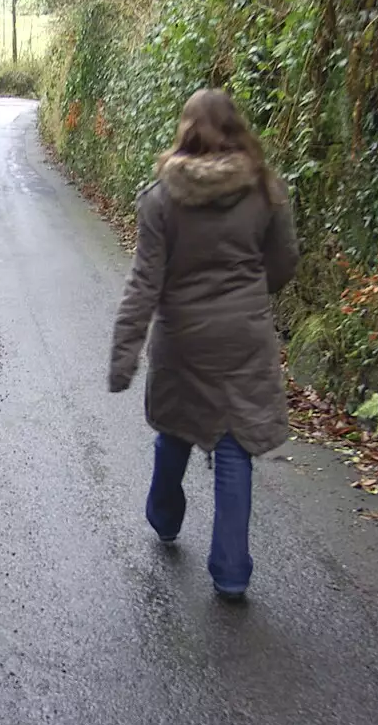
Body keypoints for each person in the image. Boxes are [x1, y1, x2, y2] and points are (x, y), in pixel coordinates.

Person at [108, 88, 300, 602]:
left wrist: (124, 354)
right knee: (235, 448)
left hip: (182, 342)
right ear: (236, 128)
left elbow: (144, 284)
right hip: (245, 340)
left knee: (175, 430)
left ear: (185, 130)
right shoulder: (265, 191)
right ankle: (231, 572)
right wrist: (249, 296)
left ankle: (164, 516)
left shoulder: (161, 199)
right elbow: (283, 263)